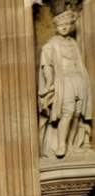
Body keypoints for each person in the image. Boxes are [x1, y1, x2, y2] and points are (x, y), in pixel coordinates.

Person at [37, 9, 92, 158]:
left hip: (78, 80)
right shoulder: (51, 44)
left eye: (67, 24)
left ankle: (72, 145)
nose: (64, 27)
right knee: (67, 112)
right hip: (64, 80)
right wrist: (49, 83)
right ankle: (61, 145)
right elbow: (46, 65)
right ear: (56, 27)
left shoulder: (73, 43)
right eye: (61, 25)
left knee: (77, 112)